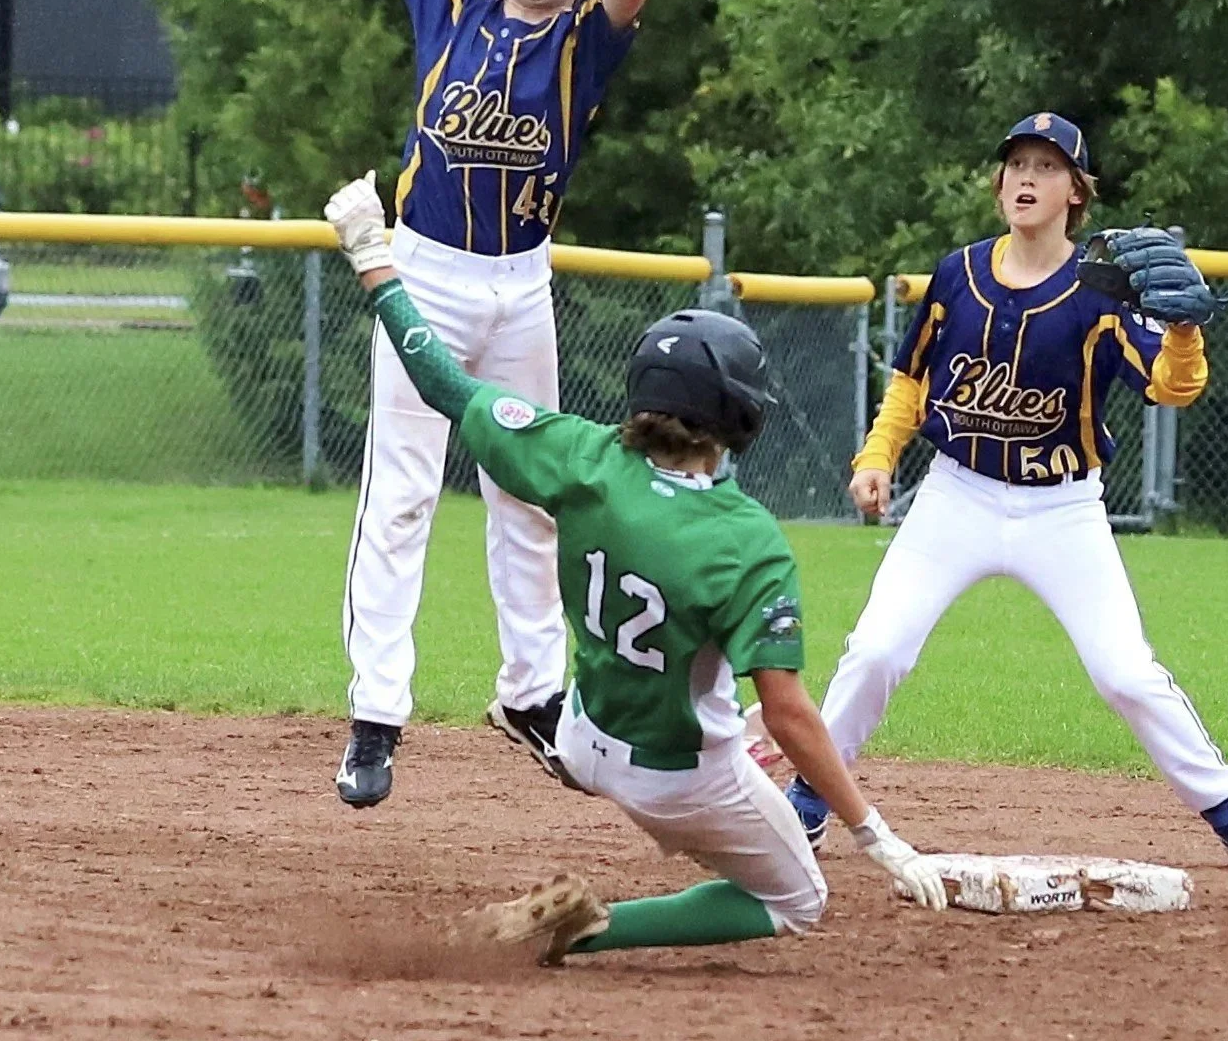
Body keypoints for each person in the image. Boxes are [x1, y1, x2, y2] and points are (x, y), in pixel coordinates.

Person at [323, 172, 946, 957]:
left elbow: (444, 384)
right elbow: (788, 711)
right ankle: (590, 930)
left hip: (584, 737)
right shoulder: (745, 540)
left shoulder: (580, 457)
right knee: (798, 898)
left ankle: (614, 748)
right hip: (677, 778)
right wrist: (873, 831)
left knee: (711, 700)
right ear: (737, 412)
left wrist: (372, 258)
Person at [785, 112, 1228, 869]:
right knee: (876, 650)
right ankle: (810, 795)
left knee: (1125, 673)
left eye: (1047, 167)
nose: (1027, 179)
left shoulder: (1101, 294)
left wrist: (1185, 333)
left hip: (1062, 508)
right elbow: (910, 382)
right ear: (1000, 185)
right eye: (1017, 166)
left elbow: (1172, 386)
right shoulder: (957, 274)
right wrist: (878, 457)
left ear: (1075, 192)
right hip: (956, 496)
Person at [336, 0, 657, 808]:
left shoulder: (582, 39)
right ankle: (376, 714)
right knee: (401, 495)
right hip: (424, 272)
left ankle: (530, 693)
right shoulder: (454, 0)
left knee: (528, 493)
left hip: (520, 288)